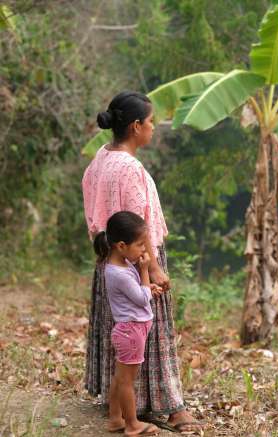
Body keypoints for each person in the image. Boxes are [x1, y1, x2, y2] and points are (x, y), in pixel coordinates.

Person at [82, 91, 202, 433]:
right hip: (136, 259)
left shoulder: (98, 161)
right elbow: (138, 222)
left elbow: (94, 217)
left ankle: (119, 405)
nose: (153, 129)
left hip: (110, 260)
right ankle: (171, 407)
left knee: (118, 333)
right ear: (135, 127)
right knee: (150, 330)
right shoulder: (130, 168)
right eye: (151, 123)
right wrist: (152, 267)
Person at [93, 211, 161, 436]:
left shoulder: (121, 264)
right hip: (131, 332)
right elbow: (141, 299)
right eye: (141, 244)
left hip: (131, 330)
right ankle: (132, 424)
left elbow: (137, 293)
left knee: (121, 377)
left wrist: (148, 287)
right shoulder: (120, 272)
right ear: (121, 245)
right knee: (127, 382)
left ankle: (115, 419)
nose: (144, 250)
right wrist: (145, 272)